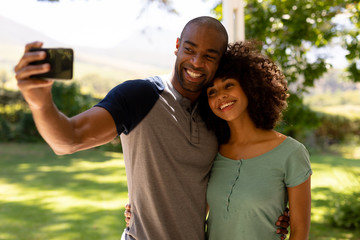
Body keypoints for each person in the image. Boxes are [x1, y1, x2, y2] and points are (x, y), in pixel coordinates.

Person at [14, 16, 289, 239]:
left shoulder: (216, 114)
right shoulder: (140, 95)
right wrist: (40, 102)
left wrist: (272, 210)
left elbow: (238, 172)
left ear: (220, 62)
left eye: (208, 56)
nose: (195, 62)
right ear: (178, 46)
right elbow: (68, 140)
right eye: (190, 50)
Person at [198, 40, 312, 239]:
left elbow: (300, 232)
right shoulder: (212, 151)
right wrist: (139, 213)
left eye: (229, 85)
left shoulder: (291, 153)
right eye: (212, 92)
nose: (221, 96)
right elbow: (193, 212)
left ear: (250, 86)